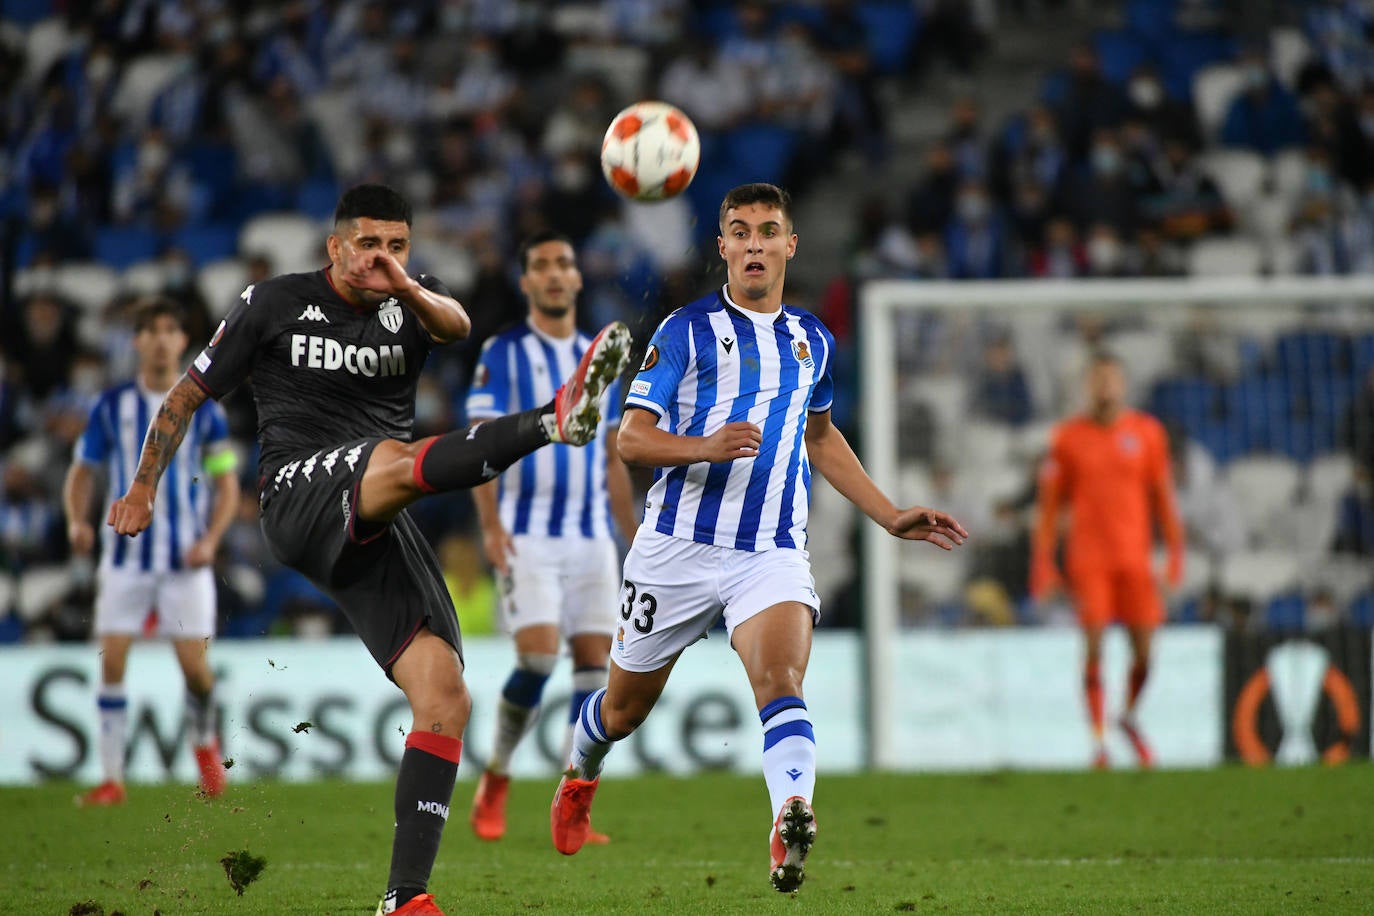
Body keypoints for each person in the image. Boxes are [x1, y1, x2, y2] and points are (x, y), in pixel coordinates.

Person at [106, 184, 632, 916]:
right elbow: (186, 397)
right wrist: (142, 488)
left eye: (397, 246)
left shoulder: (412, 303)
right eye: (368, 244)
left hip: (375, 511)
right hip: (297, 495)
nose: (382, 258)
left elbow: (456, 324)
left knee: (445, 696)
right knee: (389, 456)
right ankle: (552, 420)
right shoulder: (271, 302)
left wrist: (407, 287)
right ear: (335, 247)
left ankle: (404, 897)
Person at [547, 183, 969, 892]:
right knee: (621, 711)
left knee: (781, 679)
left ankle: (790, 813)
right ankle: (580, 772)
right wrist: (705, 445)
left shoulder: (813, 339)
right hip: (675, 549)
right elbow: (632, 438)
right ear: (723, 248)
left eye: (767, 231)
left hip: (769, 550)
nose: (752, 243)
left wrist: (888, 513)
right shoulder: (684, 330)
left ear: (788, 245)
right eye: (739, 231)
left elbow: (821, 434)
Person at [465, 230, 639, 843]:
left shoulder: (602, 356)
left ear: (578, 276)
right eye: (541, 265)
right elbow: (479, 445)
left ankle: (573, 800)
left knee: (597, 668)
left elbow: (615, 458)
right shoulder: (503, 352)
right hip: (526, 535)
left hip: (592, 537)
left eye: (565, 262)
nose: (556, 274)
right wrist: (489, 526)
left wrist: (635, 537)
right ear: (526, 282)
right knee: (537, 658)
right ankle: (498, 774)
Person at [64, 297, 241, 807]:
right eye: (151, 330)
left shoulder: (207, 410)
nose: (162, 338)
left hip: (185, 561)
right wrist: (78, 521)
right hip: (123, 560)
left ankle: (205, 743)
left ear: (183, 341)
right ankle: (112, 777)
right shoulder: (109, 405)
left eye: (170, 329)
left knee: (196, 672)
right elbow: (83, 471)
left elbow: (226, 483)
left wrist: (210, 540)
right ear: (137, 341)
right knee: (112, 661)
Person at [1029, 352, 1184, 770]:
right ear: (1086, 386)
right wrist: (1044, 565)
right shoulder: (1067, 438)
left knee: (1145, 653)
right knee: (1094, 646)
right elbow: (1048, 510)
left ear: (1124, 384)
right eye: (1097, 379)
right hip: (1089, 560)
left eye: (1112, 379)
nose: (1105, 387)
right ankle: (1099, 742)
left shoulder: (1147, 433)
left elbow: (1164, 501)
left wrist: (1174, 559)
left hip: (1135, 561)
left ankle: (1129, 716)